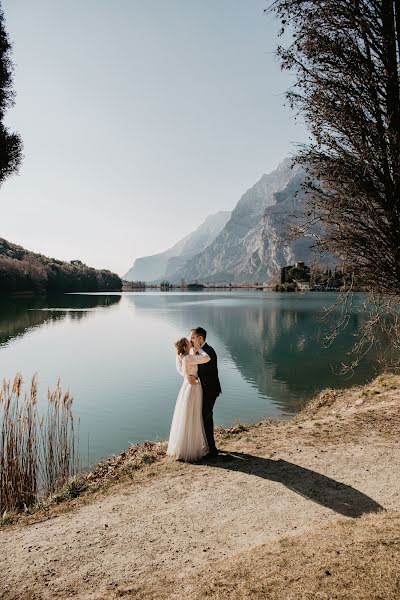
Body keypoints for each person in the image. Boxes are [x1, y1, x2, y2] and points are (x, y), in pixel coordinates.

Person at [167, 336, 210, 462]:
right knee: (193, 416)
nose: (191, 342)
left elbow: (184, 371)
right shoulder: (189, 357)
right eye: (189, 342)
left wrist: (194, 349)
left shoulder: (183, 356)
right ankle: (191, 449)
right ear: (186, 347)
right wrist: (199, 349)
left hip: (187, 386)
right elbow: (206, 358)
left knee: (186, 416)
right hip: (194, 387)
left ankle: (184, 446)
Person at [190, 327, 221, 459]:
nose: (191, 340)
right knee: (204, 417)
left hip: (210, 390)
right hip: (203, 390)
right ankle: (208, 447)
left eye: (193, 338)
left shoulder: (209, 351)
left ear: (200, 338)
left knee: (206, 417)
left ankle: (212, 450)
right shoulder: (198, 351)